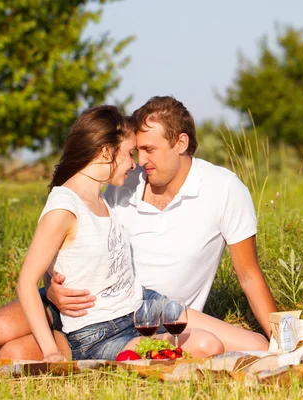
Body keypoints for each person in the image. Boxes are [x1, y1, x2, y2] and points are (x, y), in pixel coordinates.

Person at [0, 104, 266, 360]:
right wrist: (51, 302)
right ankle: (57, 344)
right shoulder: (70, 202)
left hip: (140, 305)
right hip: (96, 324)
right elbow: (33, 273)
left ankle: (58, 346)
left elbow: (72, 252)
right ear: (105, 153)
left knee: (256, 345)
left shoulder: (104, 197)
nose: (136, 164)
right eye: (130, 153)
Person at [46, 96, 278, 349]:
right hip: (92, 304)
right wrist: (51, 289)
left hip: (160, 314)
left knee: (257, 347)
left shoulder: (223, 188)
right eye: (137, 150)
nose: (141, 161)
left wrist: (282, 341)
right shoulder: (124, 183)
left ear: (180, 143)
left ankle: (67, 346)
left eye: (149, 150)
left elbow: (249, 275)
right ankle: (65, 342)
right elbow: (73, 241)